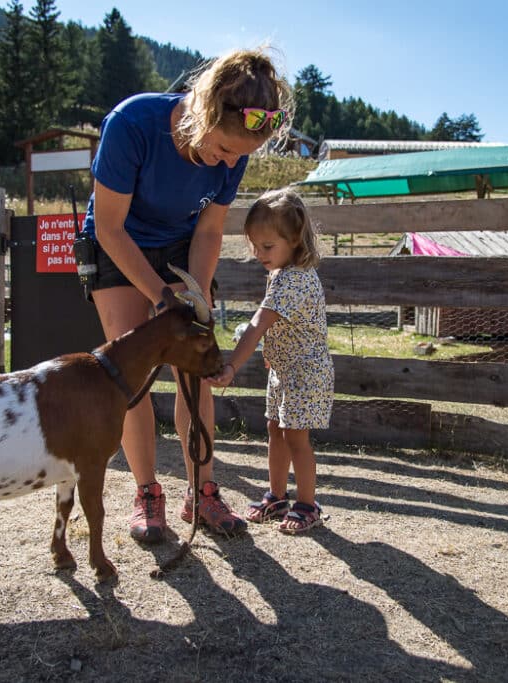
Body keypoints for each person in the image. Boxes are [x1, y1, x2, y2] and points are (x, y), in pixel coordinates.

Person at [81, 47, 293, 543]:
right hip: (119, 244)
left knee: (194, 370)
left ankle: (202, 491)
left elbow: (209, 233)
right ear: (203, 111)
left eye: (240, 156)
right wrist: (159, 297)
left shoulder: (233, 154)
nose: (229, 163)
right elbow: (110, 228)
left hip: (180, 244)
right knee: (131, 374)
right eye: (223, 150)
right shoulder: (132, 123)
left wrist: (196, 300)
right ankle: (146, 493)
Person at [207, 188, 334, 534]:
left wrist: (232, 365)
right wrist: (271, 354)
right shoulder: (282, 274)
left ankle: (308, 504)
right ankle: (277, 496)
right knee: (274, 430)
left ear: (294, 240)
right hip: (283, 369)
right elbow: (278, 326)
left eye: (267, 246)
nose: (259, 254)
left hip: (304, 373)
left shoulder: (294, 280)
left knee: (296, 438)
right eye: (255, 245)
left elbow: (260, 323)